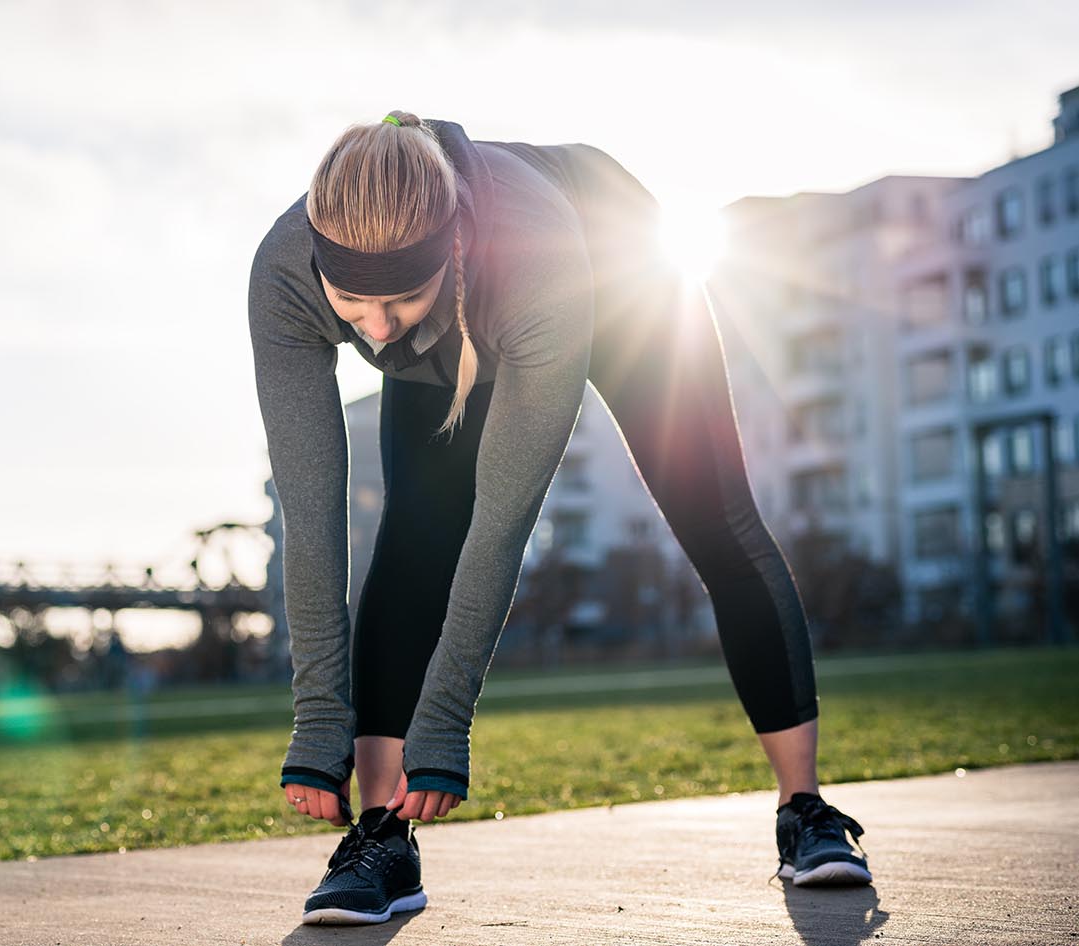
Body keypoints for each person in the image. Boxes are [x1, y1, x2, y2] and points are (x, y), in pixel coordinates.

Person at [247, 111, 871, 926]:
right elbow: (310, 518)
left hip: (617, 281)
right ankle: (381, 840)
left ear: (451, 251)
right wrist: (318, 723)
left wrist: (444, 722)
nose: (376, 330)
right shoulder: (284, 271)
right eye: (351, 302)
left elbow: (502, 524)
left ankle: (804, 812)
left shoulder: (532, 263)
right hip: (473, 314)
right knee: (412, 545)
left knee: (715, 520)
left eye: (400, 298)